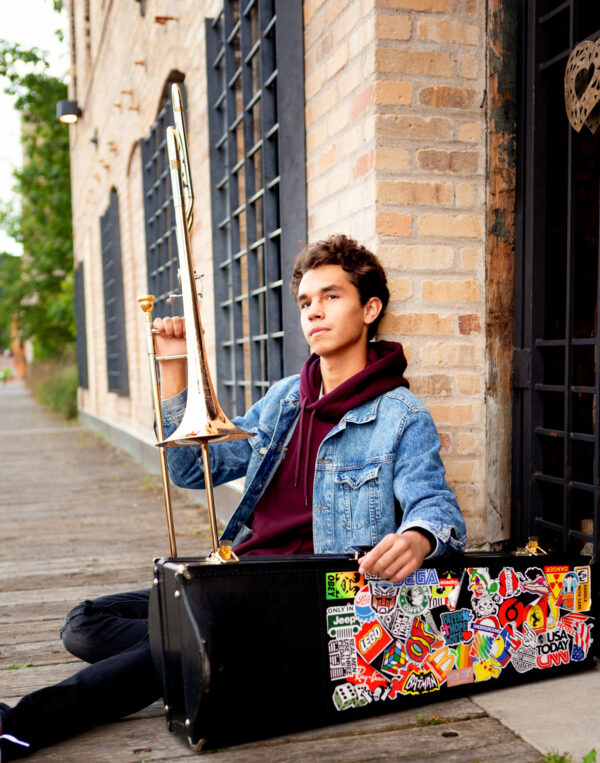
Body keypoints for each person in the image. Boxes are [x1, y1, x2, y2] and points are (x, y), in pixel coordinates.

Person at [0, 235, 465, 759]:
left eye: (331, 297)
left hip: (307, 603)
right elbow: (190, 468)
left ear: (370, 308)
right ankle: (209, 656)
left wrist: (419, 537)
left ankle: (23, 725)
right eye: (306, 302)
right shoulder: (286, 399)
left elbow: (436, 505)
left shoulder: (401, 417)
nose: (314, 311)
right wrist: (174, 365)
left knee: (186, 638)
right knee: (83, 625)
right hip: (236, 578)